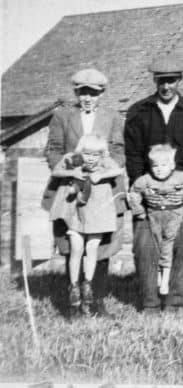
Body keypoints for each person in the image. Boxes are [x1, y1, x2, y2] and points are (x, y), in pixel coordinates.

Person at [124, 56, 183, 313]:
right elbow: (133, 154)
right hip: (149, 192)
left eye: (171, 80)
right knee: (144, 247)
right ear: (154, 80)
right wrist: (142, 187)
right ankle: (150, 303)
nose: (166, 86)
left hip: (181, 194)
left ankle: (174, 303)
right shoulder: (139, 111)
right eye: (161, 80)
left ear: (180, 80)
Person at [42, 68, 125, 317]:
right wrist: (72, 171)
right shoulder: (62, 116)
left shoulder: (112, 117)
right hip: (72, 188)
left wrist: (105, 169)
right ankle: (73, 304)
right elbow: (53, 150)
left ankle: (96, 301)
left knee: (98, 246)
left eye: (93, 93)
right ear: (76, 93)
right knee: (73, 244)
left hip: (101, 190)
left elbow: (119, 152)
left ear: (101, 94)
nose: (87, 98)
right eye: (82, 93)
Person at [49, 135, 124, 316]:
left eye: (95, 154)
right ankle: (73, 286)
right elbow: (56, 171)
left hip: (98, 210)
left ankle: (87, 284)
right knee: (76, 248)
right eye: (87, 154)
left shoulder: (104, 162)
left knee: (92, 248)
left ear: (101, 154)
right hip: (77, 211)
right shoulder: (73, 160)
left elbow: (118, 170)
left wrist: (101, 174)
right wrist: (72, 173)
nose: (90, 158)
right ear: (80, 151)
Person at [129, 144, 183, 295]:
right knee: (156, 245)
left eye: (164, 165)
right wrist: (139, 210)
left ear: (172, 165)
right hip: (154, 216)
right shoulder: (146, 179)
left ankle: (165, 282)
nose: (159, 169)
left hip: (173, 216)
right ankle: (157, 275)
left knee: (168, 245)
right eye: (155, 166)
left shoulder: (180, 176)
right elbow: (133, 192)